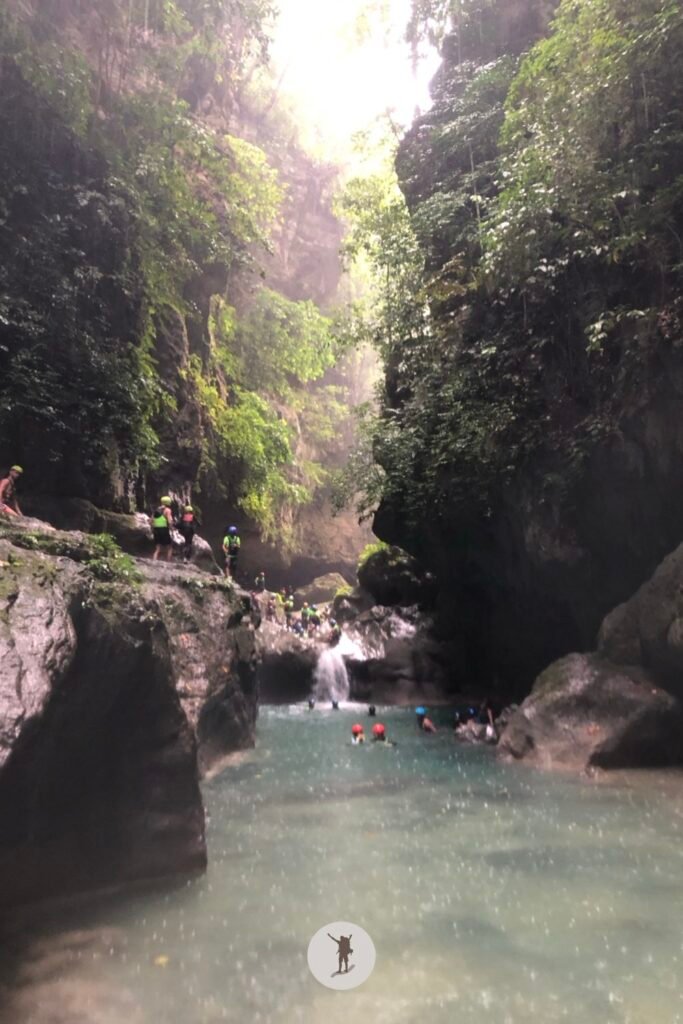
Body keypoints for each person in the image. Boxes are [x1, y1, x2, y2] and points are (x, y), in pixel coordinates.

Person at [152, 496, 174, 562]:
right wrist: (171, 528)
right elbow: (170, 521)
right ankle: (168, 562)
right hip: (164, 530)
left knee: (157, 548)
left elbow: (151, 520)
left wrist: (152, 528)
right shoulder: (168, 510)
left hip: (156, 530)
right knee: (169, 547)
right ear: (169, 502)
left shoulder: (156, 510)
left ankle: (154, 561)